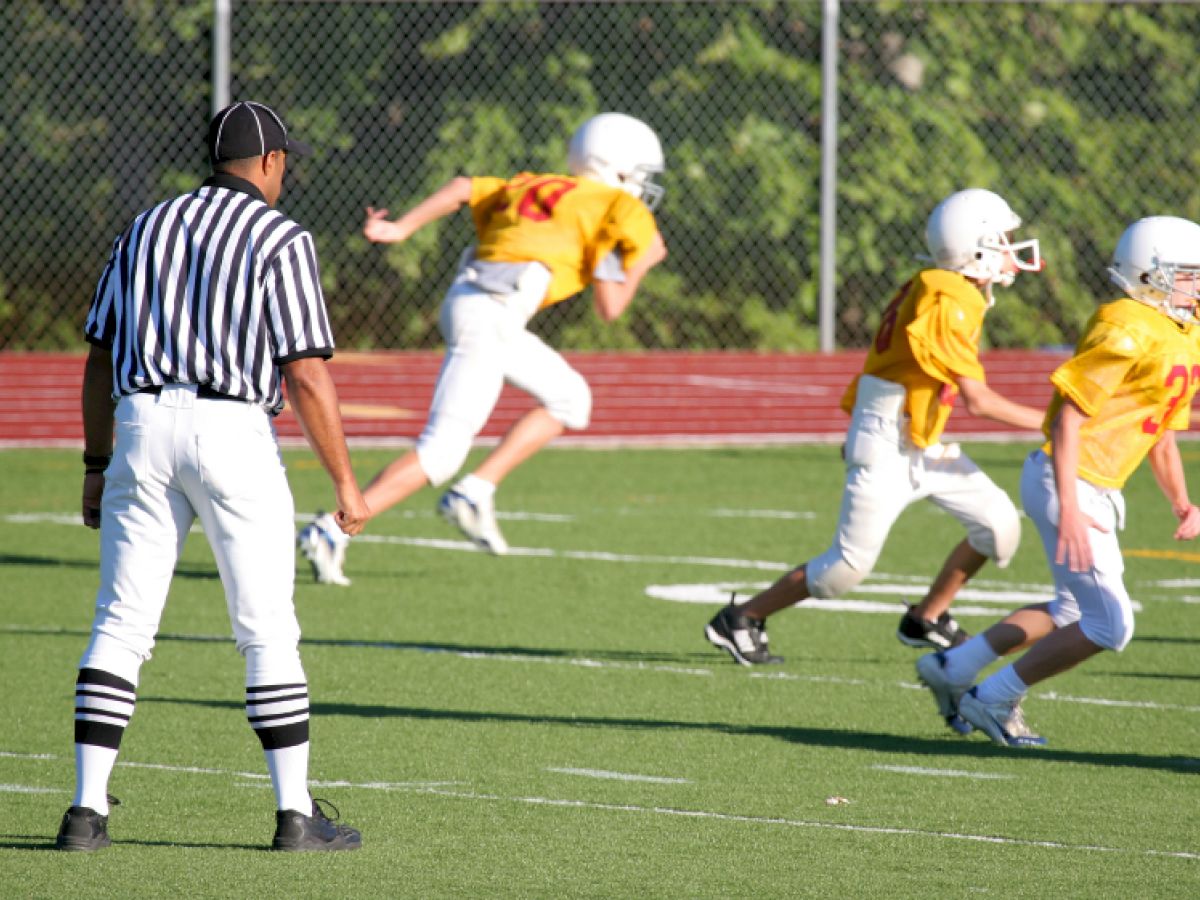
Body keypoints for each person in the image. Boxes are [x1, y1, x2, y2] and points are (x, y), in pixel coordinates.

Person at [58, 101, 368, 852]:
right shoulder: (280, 236)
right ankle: (296, 816)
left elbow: (99, 356)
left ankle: (84, 812)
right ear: (268, 162)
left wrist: (96, 465)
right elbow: (305, 374)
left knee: (121, 623)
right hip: (231, 428)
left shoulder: (145, 227)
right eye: (284, 160)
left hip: (138, 423)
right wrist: (347, 484)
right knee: (266, 629)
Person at [298, 112, 667, 583]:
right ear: (615, 167)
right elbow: (611, 306)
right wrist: (643, 262)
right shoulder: (618, 206)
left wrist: (402, 228)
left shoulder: (541, 183)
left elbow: (459, 187)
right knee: (442, 451)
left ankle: (476, 489)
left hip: (480, 304)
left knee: (571, 398)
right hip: (492, 312)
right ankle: (332, 530)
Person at [705, 188, 1047, 666]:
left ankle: (926, 618)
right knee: (842, 572)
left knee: (999, 528)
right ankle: (742, 619)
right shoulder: (949, 295)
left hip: (919, 435)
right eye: (1004, 239)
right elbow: (978, 400)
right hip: (887, 439)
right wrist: (1058, 424)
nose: (1013, 248)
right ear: (978, 246)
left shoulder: (946, 287)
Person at [919, 215, 1200, 747]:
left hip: (1090, 484)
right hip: (1067, 480)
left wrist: (1183, 502)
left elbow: (1159, 432)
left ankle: (955, 669)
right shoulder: (1127, 325)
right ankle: (992, 699)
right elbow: (1068, 417)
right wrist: (1069, 505)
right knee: (1110, 626)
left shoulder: (1183, 334)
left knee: (1072, 611)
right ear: (1151, 273)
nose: (1196, 285)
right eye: (1189, 274)